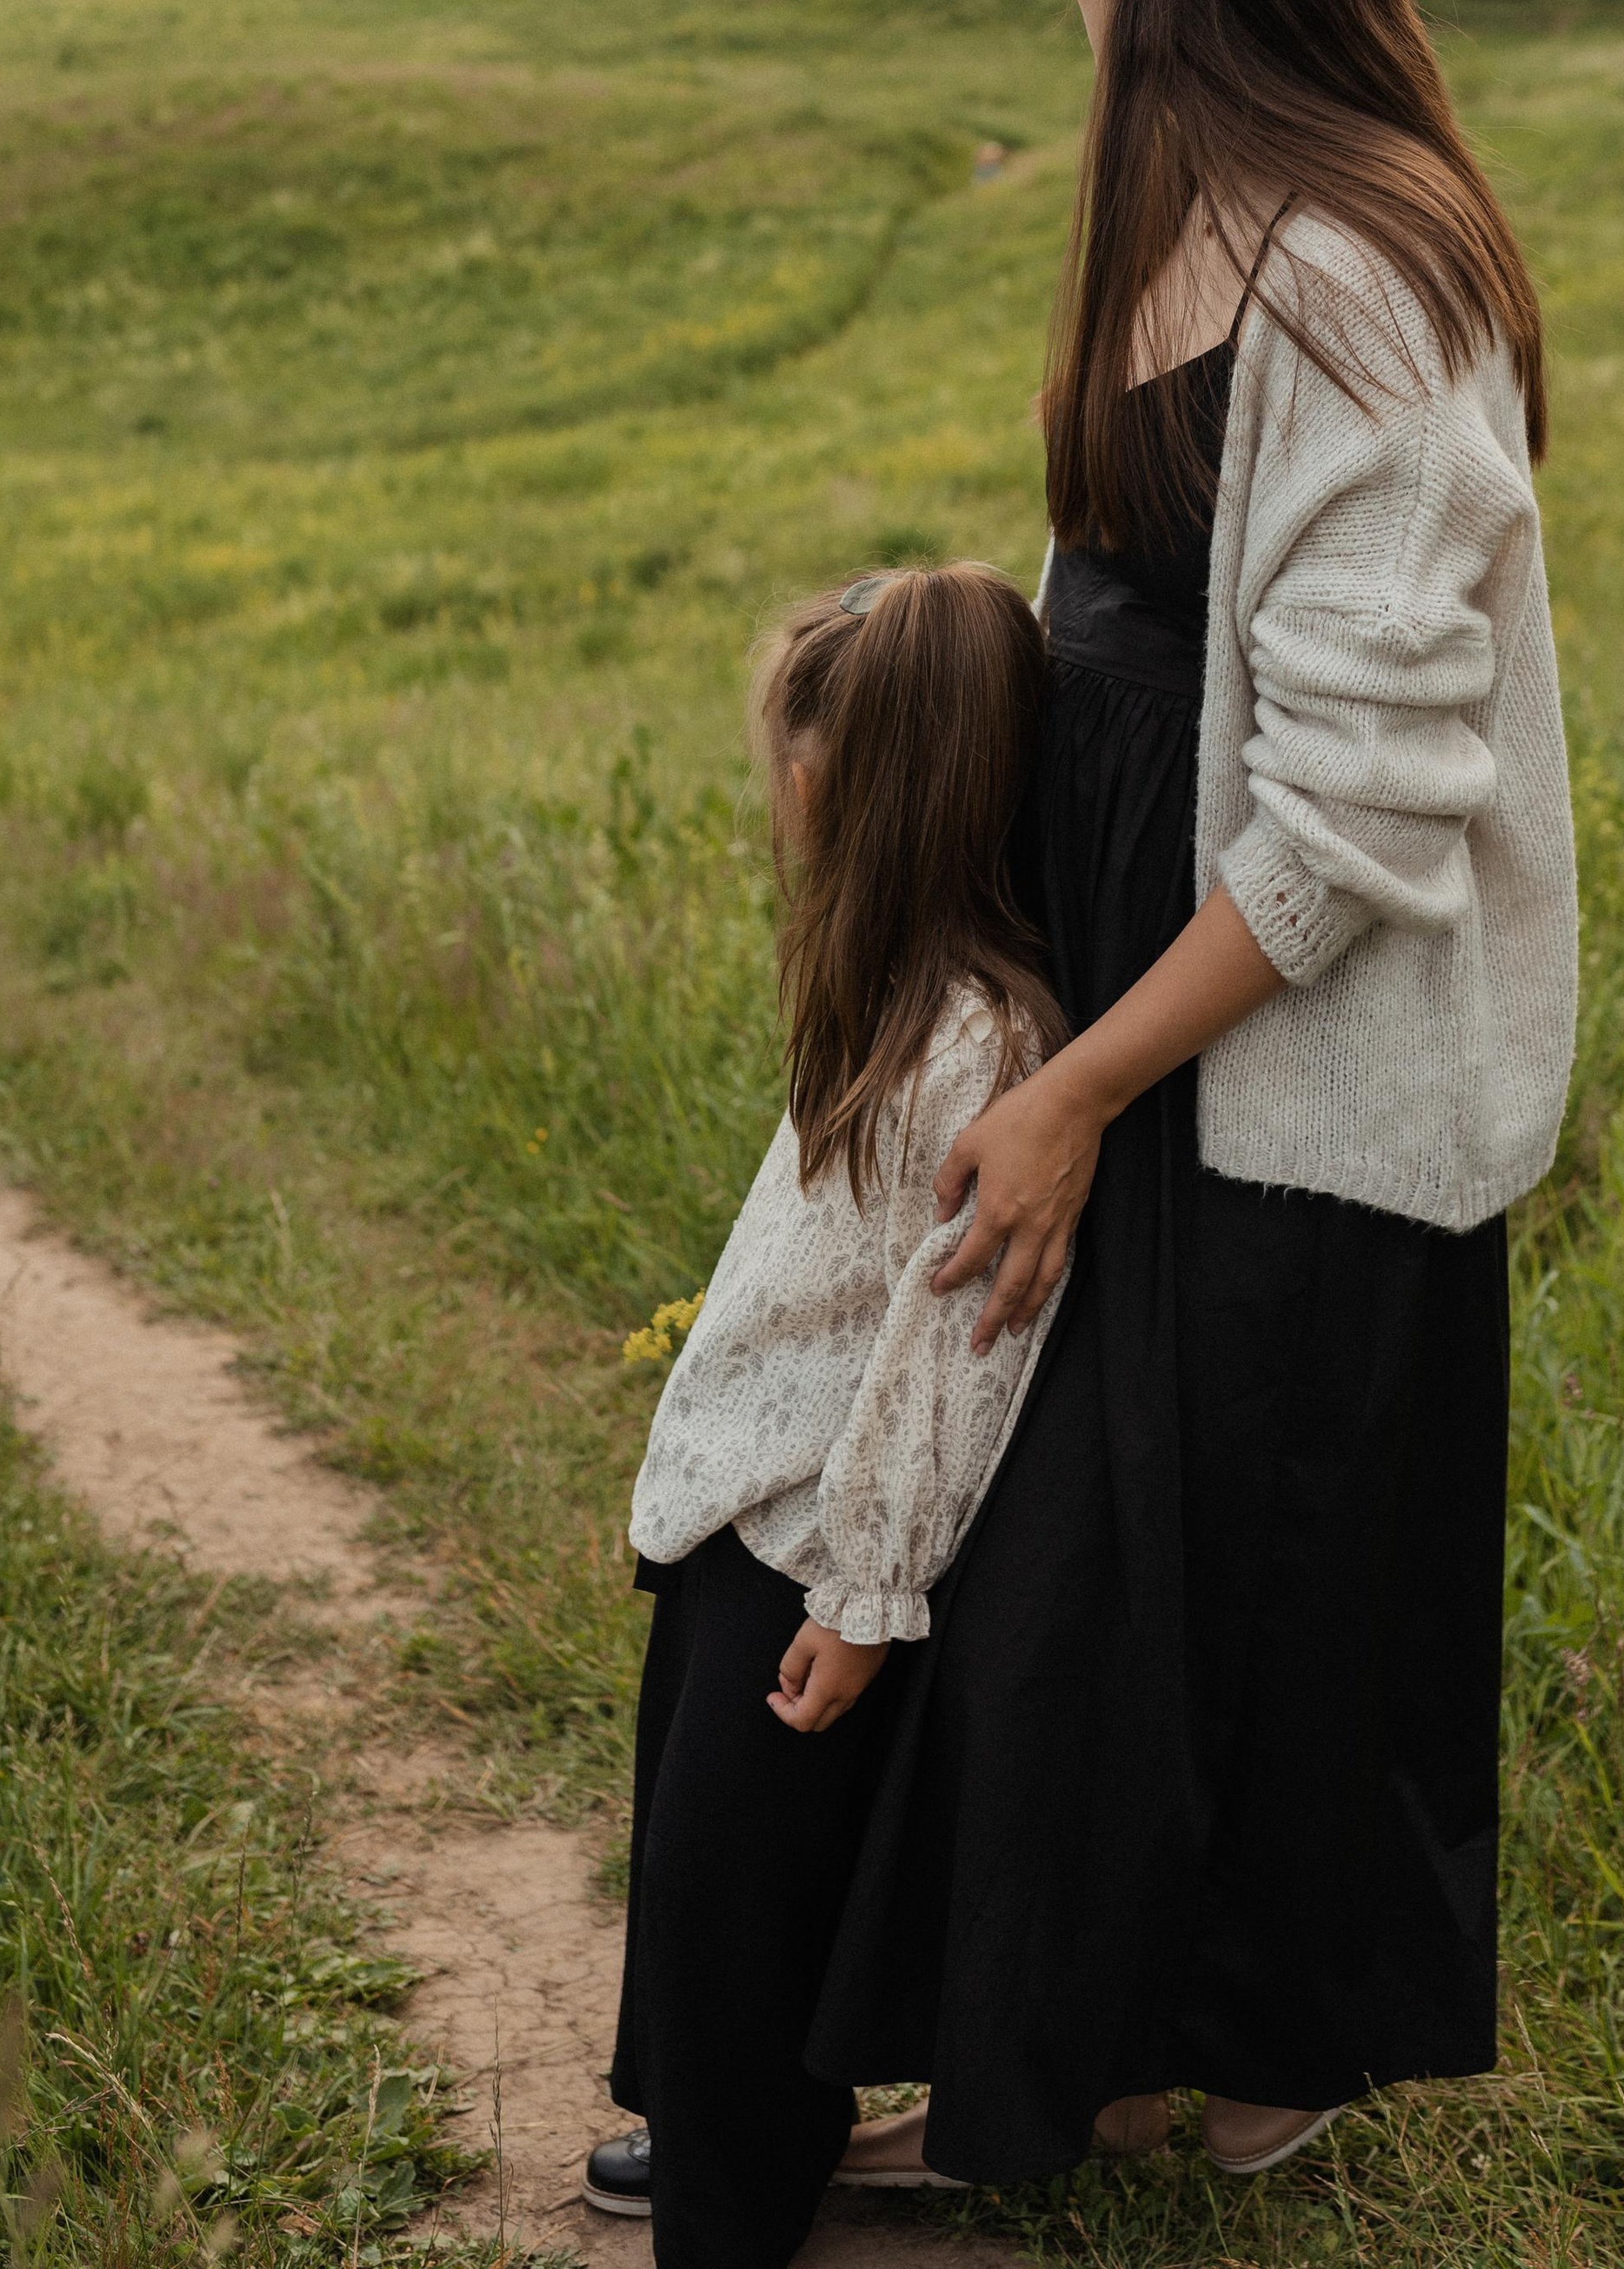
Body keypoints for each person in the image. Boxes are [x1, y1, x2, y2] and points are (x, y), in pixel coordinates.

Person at [809, 0, 1580, 2184]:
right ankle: (1071, 2058)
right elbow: (1126, 622)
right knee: (1079, 1549)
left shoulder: (1367, 281)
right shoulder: (1173, 226)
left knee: (1266, 1550)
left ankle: (1238, 2089)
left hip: (1282, 1020)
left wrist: (1082, 1086)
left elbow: (1357, 800)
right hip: (1130, 986)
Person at [590, 564, 1068, 2267]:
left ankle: (727, 2218)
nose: (776, 807)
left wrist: (862, 1604)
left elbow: (952, 1363)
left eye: (792, 771)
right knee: (695, 1877)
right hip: (736, 1519)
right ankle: (724, 2134)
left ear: (864, 790)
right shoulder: (886, 1000)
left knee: (738, 1914)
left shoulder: (982, 1052)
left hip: (816, 1558)